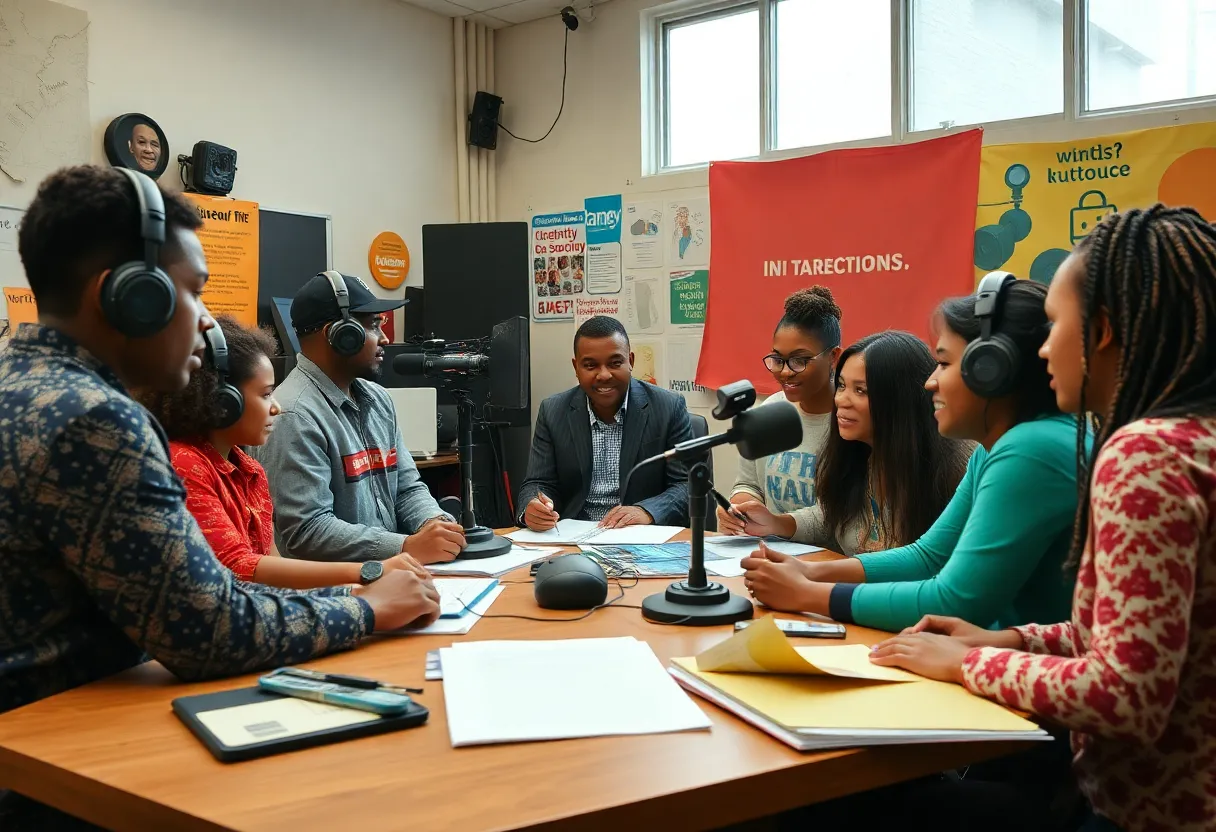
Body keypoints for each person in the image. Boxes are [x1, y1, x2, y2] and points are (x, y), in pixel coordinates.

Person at [0, 167, 438, 826]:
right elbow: (207, 630)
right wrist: (369, 609)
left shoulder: (22, 386)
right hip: (65, 778)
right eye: (193, 292)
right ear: (128, 297)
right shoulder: (95, 420)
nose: (207, 322)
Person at [870, 206, 1216, 832]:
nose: (1042, 348)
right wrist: (1012, 640)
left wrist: (965, 664)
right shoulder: (1192, 441)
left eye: (1056, 326)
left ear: (1104, 331)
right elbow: (1142, 637)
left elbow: (1127, 695)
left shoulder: (1145, 458)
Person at [743, 277, 1082, 632]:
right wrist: (809, 571)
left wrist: (808, 595)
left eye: (946, 364)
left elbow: (954, 601)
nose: (930, 382)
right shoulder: (995, 449)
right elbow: (927, 555)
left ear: (991, 371)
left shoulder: (1030, 449)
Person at [140, 316, 425, 588]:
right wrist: (369, 573)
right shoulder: (184, 464)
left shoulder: (250, 470)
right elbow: (237, 567)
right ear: (222, 401)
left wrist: (359, 593)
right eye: (265, 395)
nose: (276, 406)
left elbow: (273, 572)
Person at [251, 271, 465, 564]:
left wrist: (435, 525)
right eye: (374, 326)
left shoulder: (379, 400)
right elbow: (306, 532)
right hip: (333, 595)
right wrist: (405, 547)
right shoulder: (294, 415)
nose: (385, 339)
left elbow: (406, 486)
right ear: (340, 335)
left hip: (387, 577)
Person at [723, 331, 973, 554]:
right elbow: (833, 516)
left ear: (901, 400)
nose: (842, 400)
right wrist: (777, 523)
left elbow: (927, 566)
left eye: (861, 391)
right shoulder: (858, 455)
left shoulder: (955, 474)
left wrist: (818, 583)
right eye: (841, 386)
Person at [518, 315, 693, 530]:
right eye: (590, 365)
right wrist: (533, 505)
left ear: (631, 361)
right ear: (576, 367)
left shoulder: (668, 407)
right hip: (573, 538)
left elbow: (686, 486)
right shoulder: (553, 411)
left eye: (615, 363)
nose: (604, 375)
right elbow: (538, 482)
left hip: (641, 537)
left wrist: (646, 511)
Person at [718, 286, 842, 537]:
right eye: (778, 359)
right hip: (771, 554)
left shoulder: (850, 420)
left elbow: (848, 514)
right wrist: (740, 509)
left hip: (829, 562)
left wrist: (778, 523)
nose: (785, 372)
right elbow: (748, 483)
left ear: (833, 358)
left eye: (800, 360)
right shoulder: (770, 410)